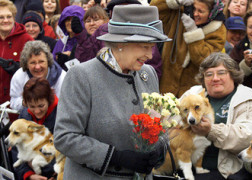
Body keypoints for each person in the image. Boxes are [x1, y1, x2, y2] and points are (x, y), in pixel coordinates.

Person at [53, 5, 169, 179]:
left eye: (152, 46)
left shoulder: (148, 74)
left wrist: (157, 150)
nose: (150, 55)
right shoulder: (82, 76)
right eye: (145, 46)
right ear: (121, 43)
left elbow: (159, 126)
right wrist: (116, 157)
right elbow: (65, 137)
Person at [180, 52, 252, 179]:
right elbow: (172, 120)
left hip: (221, 171)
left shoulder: (247, 99)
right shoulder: (192, 94)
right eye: (209, 74)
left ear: (233, 75)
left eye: (221, 73)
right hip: (183, 165)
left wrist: (211, 131)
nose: (215, 78)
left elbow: (251, 137)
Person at [151, 0, 226, 97]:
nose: (195, 14)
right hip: (165, 88)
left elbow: (204, 61)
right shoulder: (181, 13)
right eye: (193, 8)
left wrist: (193, 33)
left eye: (201, 11)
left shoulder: (218, 30)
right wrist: (174, 1)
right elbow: (153, 11)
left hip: (192, 95)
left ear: (211, 13)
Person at [11, 77, 58, 180]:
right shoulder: (25, 115)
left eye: (41, 106)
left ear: (49, 100)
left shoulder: (61, 115)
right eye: (32, 106)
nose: (36, 111)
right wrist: (28, 175)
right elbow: (16, 148)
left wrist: (52, 172)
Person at [10, 40, 66, 112]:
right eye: (33, 63)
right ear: (26, 64)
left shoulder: (62, 78)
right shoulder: (19, 75)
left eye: (41, 61)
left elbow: (66, 106)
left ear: (48, 61)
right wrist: (25, 102)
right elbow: (13, 101)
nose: (37, 67)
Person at [0, 0, 33, 105]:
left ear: (14, 17)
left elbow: (39, 70)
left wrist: (20, 69)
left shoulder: (26, 40)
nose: (5, 20)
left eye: (9, 17)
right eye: (1, 17)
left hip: (18, 102)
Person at [52, 5, 85, 70]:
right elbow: (52, 62)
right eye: (67, 19)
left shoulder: (85, 40)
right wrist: (57, 58)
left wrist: (71, 56)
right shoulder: (61, 41)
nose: (70, 23)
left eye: (73, 19)